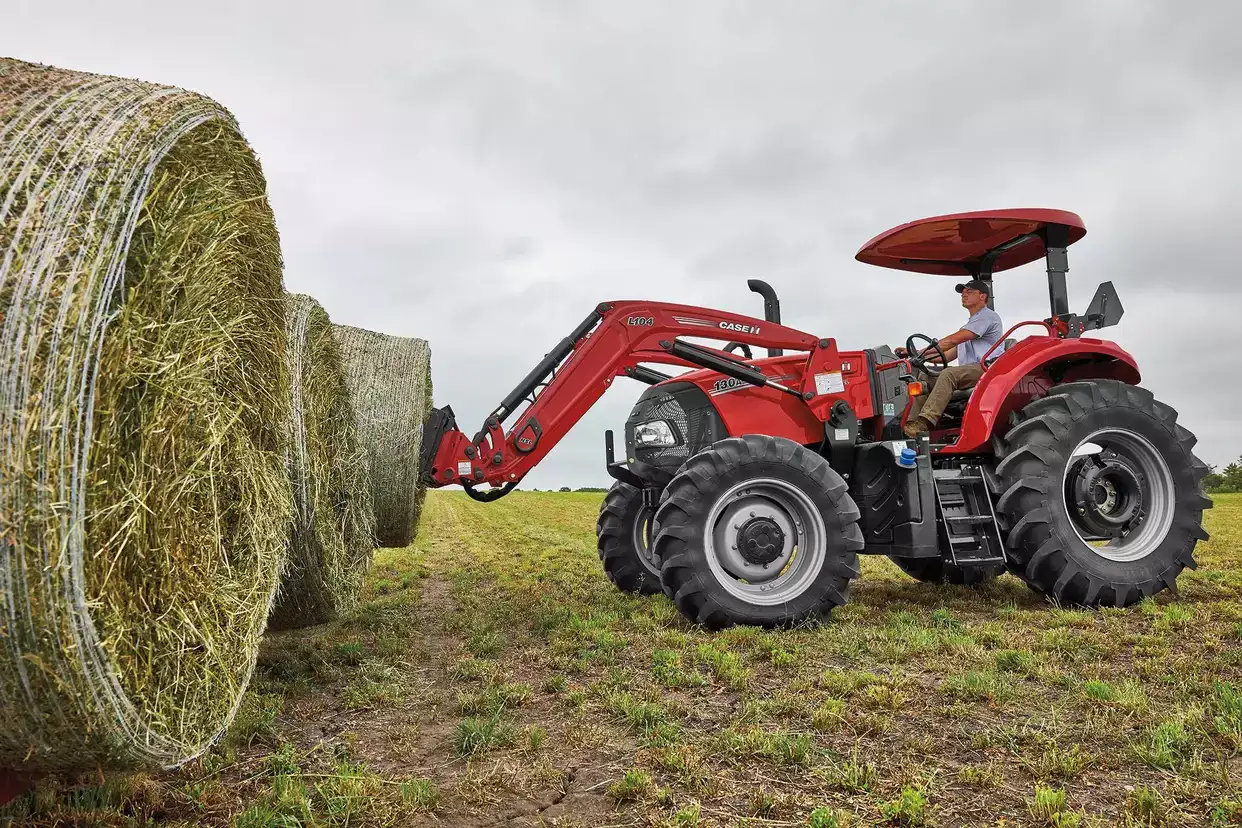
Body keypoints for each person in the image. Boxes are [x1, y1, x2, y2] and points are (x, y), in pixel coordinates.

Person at [896, 279, 1004, 438]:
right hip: (969, 371)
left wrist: (921, 353)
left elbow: (951, 341)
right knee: (926, 377)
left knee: (949, 374)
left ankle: (925, 421)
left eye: (969, 291)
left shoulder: (987, 317)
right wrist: (914, 354)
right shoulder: (970, 326)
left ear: (982, 296)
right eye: (963, 292)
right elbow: (946, 355)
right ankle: (910, 426)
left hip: (987, 370)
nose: (964, 295)